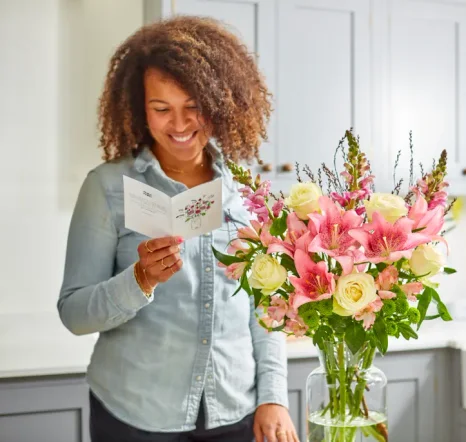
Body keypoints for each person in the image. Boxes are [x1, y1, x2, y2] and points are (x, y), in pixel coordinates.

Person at [57, 15, 299, 442]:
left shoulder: (247, 188)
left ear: (219, 103)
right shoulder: (108, 187)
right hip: (134, 414)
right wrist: (139, 279)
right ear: (139, 108)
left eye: (193, 106)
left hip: (236, 411)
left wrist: (273, 395)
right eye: (161, 109)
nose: (181, 124)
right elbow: (74, 313)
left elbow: (267, 309)